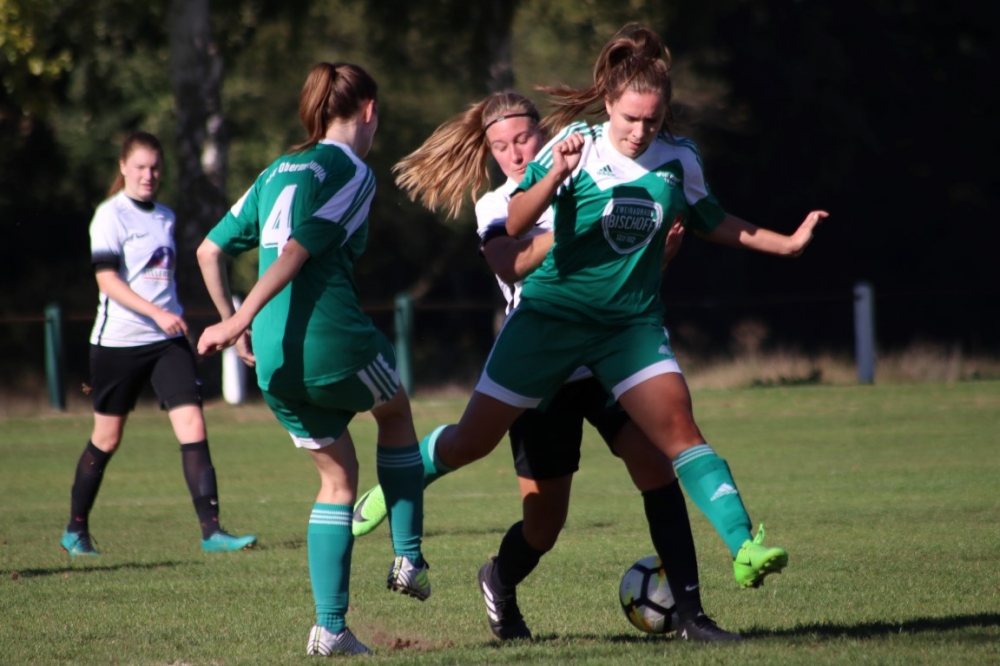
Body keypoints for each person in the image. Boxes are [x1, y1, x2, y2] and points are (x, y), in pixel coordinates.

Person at [354, 91, 740, 642]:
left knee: (656, 470)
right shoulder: (498, 206)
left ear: (547, 135)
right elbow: (516, 269)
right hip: (543, 376)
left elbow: (627, 272)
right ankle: (492, 572)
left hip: (610, 361)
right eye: (500, 146)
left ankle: (694, 618)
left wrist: (657, 251)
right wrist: (576, 226)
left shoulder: (601, 169)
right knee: (543, 523)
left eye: (523, 140)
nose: (514, 154)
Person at [195, 61, 429, 658]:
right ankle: (408, 558)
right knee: (397, 414)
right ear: (368, 110)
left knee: (337, 478)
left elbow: (208, 249)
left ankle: (330, 630)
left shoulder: (275, 170)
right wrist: (237, 320)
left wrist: (241, 327)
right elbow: (299, 249)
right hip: (331, 338)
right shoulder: (352, 170)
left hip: (274, 361)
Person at [61, 131, 257, 559]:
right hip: (117, 343)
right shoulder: (110, 216)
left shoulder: (165, 217)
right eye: (141, 167)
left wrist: (170, 318)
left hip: (167, 343)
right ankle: (76, 529)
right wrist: (156, 313)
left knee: (194, 429)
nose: (149, 175)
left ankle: (212, 533)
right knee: (107, 438)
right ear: (123, 168)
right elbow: (107, 280)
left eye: (155, 168)